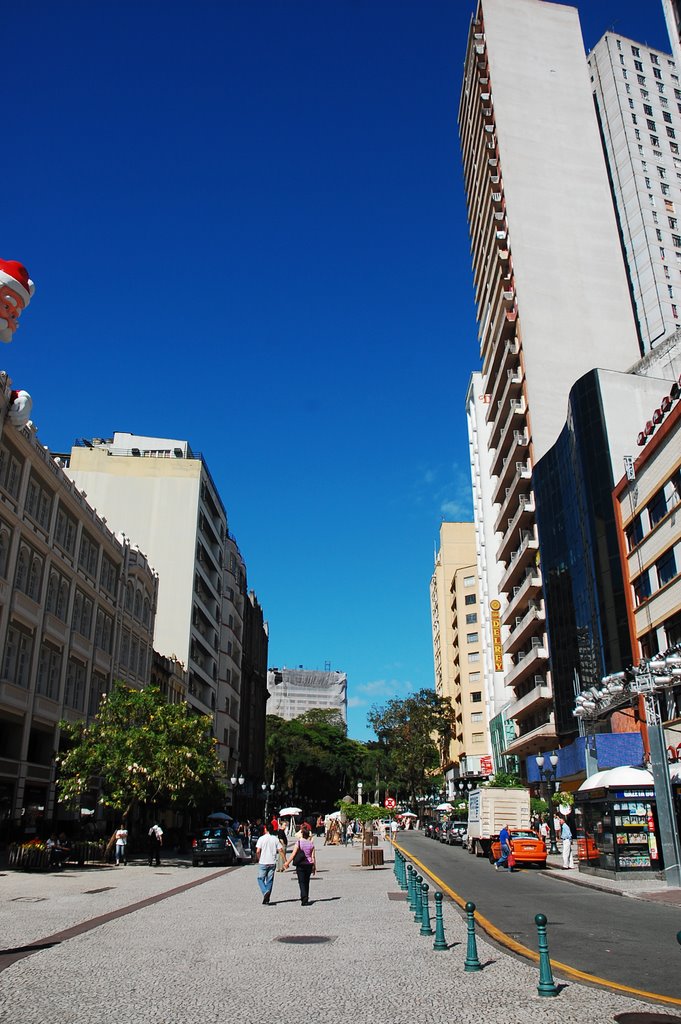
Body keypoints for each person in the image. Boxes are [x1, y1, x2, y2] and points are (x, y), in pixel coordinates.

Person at [284, 827, 316, 906]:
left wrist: (287, 862)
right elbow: (313, 857)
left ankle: (304, 896)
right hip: (309, 864)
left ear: (302, 834)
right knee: (307, 881)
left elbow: (293, 854)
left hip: (301, 864)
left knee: (301, 881)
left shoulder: (298, 843)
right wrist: (314, 867)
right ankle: (306, 897)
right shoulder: (311, 844)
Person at [256, 822, 284, 904]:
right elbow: (281, 850)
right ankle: (267, 898)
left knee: (260, 879)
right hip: (272, 862)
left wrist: (258, 858)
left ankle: (265, 892)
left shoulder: (261, 838)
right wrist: (285, 861)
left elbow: (258, 851)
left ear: (265, 829)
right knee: (270, 880)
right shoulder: (275, 839)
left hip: (263, 862)